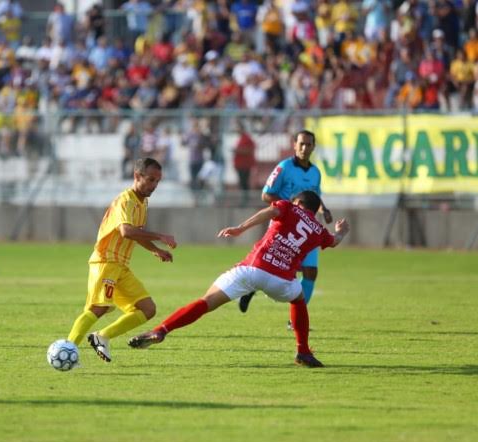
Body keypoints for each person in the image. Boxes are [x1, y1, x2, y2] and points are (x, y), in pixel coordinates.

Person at [129, 191, 349, 367]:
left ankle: (161, 330)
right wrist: (340, 230)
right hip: (281, 280)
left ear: (298, 201)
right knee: (299, 299)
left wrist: (240, 228)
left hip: (252, 269)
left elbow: (269, 212)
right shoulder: (319, 229)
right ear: (313, 209)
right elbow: (335, 241)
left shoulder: (288, 206)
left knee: (206, 302)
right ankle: (303, 351)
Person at [65, 157, 177, 363]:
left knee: (147, 309)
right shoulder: (125, 200)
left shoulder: (142, 202)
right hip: (106, 262)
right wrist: (160, 236)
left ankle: (102, 336)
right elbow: (126, 231)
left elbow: (136, 233)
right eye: (151, 180)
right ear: (137, 176)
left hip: (121, 265)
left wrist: (155, 250)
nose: (154, 185)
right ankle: (68, 348)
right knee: (97, 309)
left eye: (157, 181)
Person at [238, 130, 332, 319]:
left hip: (306, 229)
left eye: (309, 144)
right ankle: (250, 289)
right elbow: (266, 195)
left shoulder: (315, 172)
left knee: (310, 272)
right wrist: (290, 208)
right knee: (272, 268)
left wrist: (324, 210)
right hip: (285, 227)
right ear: (294, 145)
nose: (305, 148)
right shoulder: (284, 167)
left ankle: (295, 319)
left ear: (313, 147)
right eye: (301, 144)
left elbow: (314, 198)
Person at [232, 121, 256, 206]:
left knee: (244, 183)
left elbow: (250, 149)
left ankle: (245, 200)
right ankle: (244, 200)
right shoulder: (241, 138)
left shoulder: (246, 138)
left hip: (245, 165)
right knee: (242, 183)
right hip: (240, 164)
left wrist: (238, 151)